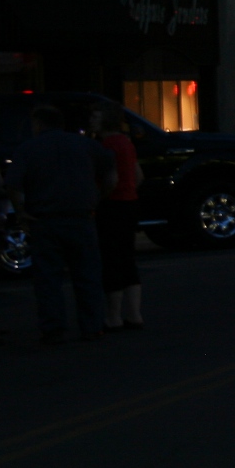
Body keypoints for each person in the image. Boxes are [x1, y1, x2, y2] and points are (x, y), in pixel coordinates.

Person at [9, 105, 114, 343]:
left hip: (45, 220)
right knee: (87, 275)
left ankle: (53, 328)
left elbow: (14, 184)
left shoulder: (28, 148)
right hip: (81, 217)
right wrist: (98, 198)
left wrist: (22, 212)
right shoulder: (85, 145)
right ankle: (92, 325)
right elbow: (110, 172)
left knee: (48, 279)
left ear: (38, 124)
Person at [93, 103, 143, 331]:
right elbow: (138, 175)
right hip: (129, 203)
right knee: (127, 258)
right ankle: (134, 313)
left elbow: (110, 179)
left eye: (96, 116)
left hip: (112, 205)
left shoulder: (107, 145)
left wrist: (99, 198)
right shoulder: (126, 143)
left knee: (111, 260)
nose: (91, 121)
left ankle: (113, 316)